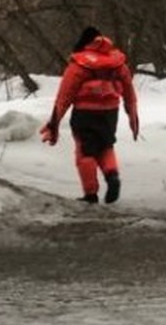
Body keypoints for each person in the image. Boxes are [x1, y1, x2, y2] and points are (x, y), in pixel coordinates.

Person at [40, 26, 141, 204]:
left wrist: (54, 124)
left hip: (85, 114)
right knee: (106, 146)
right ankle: (112, 176)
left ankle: (90, 194)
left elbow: (64, 96)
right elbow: (129, 92)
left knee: (85, 152)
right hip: (110, 113)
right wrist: (132, 116)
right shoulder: (117, 62)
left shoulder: (79, 64)